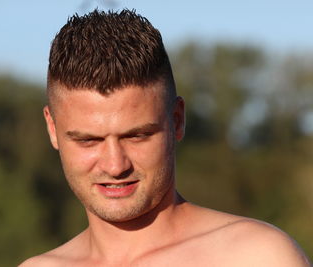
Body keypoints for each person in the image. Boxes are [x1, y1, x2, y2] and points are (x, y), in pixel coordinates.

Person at [20, 9, 310, 267]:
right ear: (52, 129)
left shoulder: (256, 257)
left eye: (137, 136)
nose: (115, 165)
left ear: (177, 121)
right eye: (88, 141)